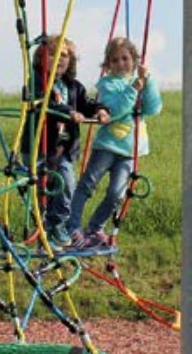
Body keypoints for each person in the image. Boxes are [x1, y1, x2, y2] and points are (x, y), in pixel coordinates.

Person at [66, 36, 162, 250]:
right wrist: (133, 89)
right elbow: (114, 111)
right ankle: (71, 227)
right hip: (107, 146)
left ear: (134, 60)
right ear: (108, 64)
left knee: (116, 193)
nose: (121, 64)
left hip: (129, 150)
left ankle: (95, 228)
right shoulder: (107, 84)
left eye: (125, 58)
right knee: (88, 184)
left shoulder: (138, 82)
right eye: (115, 60)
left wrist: (148, 82)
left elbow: (152, 108)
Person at [22, 35, 108, 250]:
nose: (59, 58)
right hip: (39, 148)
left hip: (64, 150)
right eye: (52, 54)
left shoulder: (73, 86)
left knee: (66, 185)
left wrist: (100, 111)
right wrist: (69, 112)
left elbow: (87, 104)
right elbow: (45, 101)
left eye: (64, 55)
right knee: (42, 190)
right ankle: (43, 227)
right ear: (41, 58)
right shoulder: (37, 79)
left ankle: (57, 226)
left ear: (71, 61)